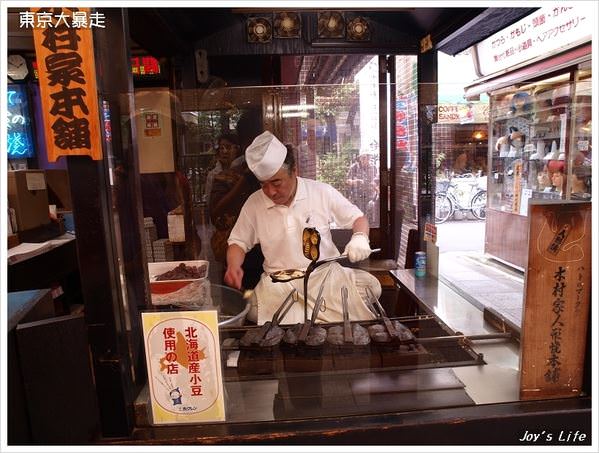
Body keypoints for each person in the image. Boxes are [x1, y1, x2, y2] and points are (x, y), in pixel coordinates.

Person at [224, 131, 380, 325]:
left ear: (294, 171)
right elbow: (238, 242)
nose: (270, 191)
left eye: (276, 182)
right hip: (279, 282)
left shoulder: (321, 191)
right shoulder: (254, 203)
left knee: (372, 287)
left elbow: (358, 218)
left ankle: (304, 317)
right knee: (253, 310)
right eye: (264, 185)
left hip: (324, 276)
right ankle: (318, 318)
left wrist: (360, 237)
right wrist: (233, 265)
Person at [209, 134, 259, 264]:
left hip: (261, 244)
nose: (225, 151)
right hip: (233, 241)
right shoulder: (222, 177)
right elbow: (215, 214)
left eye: (229, 147)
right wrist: (243, 182)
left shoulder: (265, 176)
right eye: (222, 148)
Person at [346, 150, 378, 224]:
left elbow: (376, 181)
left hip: (370, 196)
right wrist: (355, 182)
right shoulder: (354, 167)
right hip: (357, 196)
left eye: (367, 157)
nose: (365, 159)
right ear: (360, 158)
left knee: (369, 218)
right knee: (358, 217)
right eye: (363, 157)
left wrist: (374, 186)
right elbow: (347, 181)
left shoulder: (373, 167)